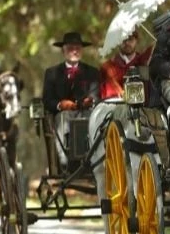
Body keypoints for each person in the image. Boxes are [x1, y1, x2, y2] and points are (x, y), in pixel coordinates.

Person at [42, 31, 99, 170]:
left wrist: (89, 101)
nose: (74, 51)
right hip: (63, 115)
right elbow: (47, 99)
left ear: (82, 51)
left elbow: (96, 96)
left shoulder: (92, 72)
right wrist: (60, 105)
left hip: (86, 113)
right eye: (70, 48)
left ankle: (93, 158)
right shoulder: (51, 73)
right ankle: (65, 162)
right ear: (63, 50)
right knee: (64, 118)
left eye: (78, 48)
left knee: (94, 118)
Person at [99, 31, 153, 101]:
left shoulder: (144, 62)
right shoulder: (107, 68)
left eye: (130, 39)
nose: (127, 43)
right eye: (123, 39)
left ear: (136, 40)